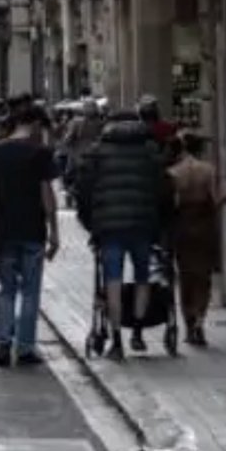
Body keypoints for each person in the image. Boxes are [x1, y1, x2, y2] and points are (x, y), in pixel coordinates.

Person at [76, 111, 166, 362]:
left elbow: (83, 190)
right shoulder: (149, 151)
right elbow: (163, 190)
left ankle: (116, 339)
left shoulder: (98, 152)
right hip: (143, 225)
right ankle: (137, 330)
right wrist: (160, 224)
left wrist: (90, 223)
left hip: (109, 228)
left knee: (112, 280)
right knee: (143, 277)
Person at [0, 105, 59, 369]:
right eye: (42, 128)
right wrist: (55, 232)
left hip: (5, 232)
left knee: (7, 290)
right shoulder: (40, 154)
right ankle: (25, 348)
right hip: (33, 232)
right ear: (34, 124)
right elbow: (47, 195)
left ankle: (3, 344)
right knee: (30, 292)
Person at [168, 132, 226, 347]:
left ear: (183, 148)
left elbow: (170, 206)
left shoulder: (174, 173)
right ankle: (200, 322)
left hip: (182, 228)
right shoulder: (208, 171)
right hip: (204, 228)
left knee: (185, 278)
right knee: (203, 277)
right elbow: (217, 199)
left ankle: (188, 323)